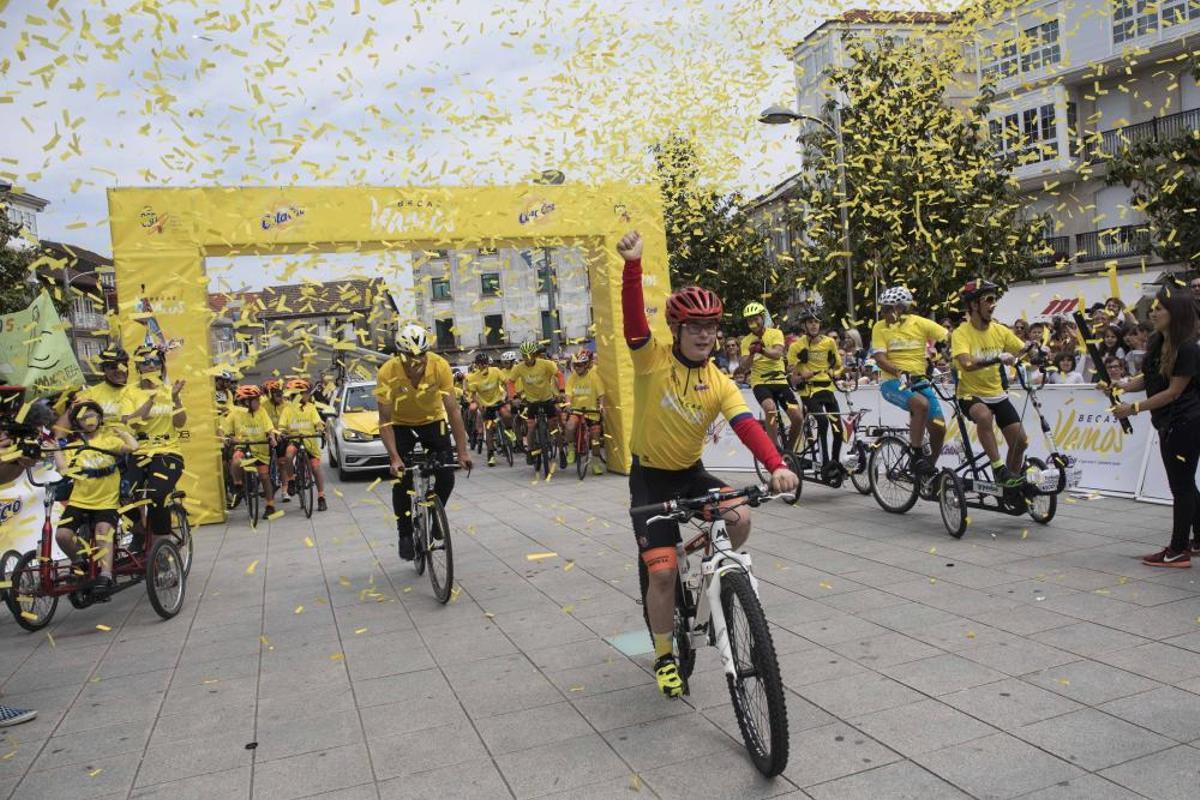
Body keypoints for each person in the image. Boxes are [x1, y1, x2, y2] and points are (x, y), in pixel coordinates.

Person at [617, 230, 798, 699]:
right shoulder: (651, 361)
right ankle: (664, 655)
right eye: (694, 326)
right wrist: (633, 266)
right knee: (661, 573)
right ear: (676, 330)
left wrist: (776, 465)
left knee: (740, 517)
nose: (704, 335)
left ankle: (707, 566)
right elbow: (634, 323)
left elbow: (747, 425)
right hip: (649, 478)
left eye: (711, 327)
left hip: (689, 472)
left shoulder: (719, 381)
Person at [1111, 286, 1200, 566]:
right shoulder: (1157, 341)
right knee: (1185, 483)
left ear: (1176, 312)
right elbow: (1149, 378)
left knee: (1181, 487)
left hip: (1185, 423)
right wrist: (1122, 386)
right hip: (1167, 422)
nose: (1153, 313)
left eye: (1159, 308)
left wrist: (1133, 408)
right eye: (1153, 308)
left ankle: (1178, 550)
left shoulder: (1188, 348)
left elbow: (1173, 392)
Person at [376, 324, 472, 561]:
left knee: (447, 475)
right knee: (401, 481)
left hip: (432, 421)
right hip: (400, 424)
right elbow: (384, 420)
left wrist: (462, 452)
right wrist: (394, 458)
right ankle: (405, 534)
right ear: (400, 354)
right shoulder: (387, 372)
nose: (416, 360)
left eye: (421, 355)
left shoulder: (440, 366)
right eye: (410, 356)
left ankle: (434, 515)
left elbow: (454, 411)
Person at [53, 401, 140, 597]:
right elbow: (63, 470)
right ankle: (79, 562)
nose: (89, 420)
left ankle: (105, 575)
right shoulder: (74, 446)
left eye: (92, 415)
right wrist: (56, 448)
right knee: (62, 536)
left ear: (99, 417)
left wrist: (122, 433)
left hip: (107, 501)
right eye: (83, 417)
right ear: (77, 422)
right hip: (79, 501)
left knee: (102, 532)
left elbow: (134, 447)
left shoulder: (110, 441)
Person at [951, 280, 1032, 487]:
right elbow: (967, 364)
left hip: (996, 393)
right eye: (988, 299)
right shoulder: (961, 333)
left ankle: (1010, 485)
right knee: (984, 416)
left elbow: (1022, 351)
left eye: (994, 299)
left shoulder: (999, 330)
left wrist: (1036, 350)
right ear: (973, 305)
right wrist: (996, 359)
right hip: (970, 394)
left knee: (1020, 442)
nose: (993, 304)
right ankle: (998, 468)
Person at [871, 286, 948, 477]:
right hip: (892, 381)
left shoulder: (920, 323)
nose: (883, 313)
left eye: (887, 309)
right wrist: (899, 372)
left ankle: (927, 471)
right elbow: (879, 359)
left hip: (919, 380)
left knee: (939, 427)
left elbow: (950, 338)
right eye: (882, 308)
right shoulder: (880, 327)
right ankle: (917, 456)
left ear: (901, 308)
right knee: (920, 404)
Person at [125, 346, 187, 548]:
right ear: (138, 367)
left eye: (156, 362)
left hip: (168, 452)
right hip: (140, 452)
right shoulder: (129, 392)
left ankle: (162, 545)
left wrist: (175, 398)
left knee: (156, 495)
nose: (151, 365)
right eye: (146, 362)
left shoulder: (170, 391)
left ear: (162, 366)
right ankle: (139, 530)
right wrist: (151, 399)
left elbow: (180, 423)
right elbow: (133, 423)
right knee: (123, 494)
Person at [788, 307, 844, 479]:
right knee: (822, 421)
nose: (814, 325)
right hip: (809, 391)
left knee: (838, 429)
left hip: (827, 389)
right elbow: (791, 376)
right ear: (804, 325)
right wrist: (800, 372)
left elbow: (838, 366)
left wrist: (836, 371)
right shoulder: (797, 346)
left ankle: (834, 463)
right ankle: (825, 463)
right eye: (810, 322)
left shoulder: (829, 342)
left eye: (816, 322)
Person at [740, 302, 804, 451]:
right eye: (749, 320)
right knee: (770, 408)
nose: (753, 323)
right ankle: (774, 449)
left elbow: (778, 354)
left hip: (780, 381)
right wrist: (751, 353)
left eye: (756, 319)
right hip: (760, 382)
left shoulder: (775, 333)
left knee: (797, 418)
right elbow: (744, 366)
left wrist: (762, 350)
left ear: (763, 318)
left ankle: (789, 451)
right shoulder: (745, 341)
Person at [224, 384, 279, 518]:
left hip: (260, 448)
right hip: (243, 446)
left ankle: (270, 505)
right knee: (236, 460)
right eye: (256, 400)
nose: (259, 402)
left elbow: (269, 429)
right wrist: (229, 438)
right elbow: (224, 430)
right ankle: (238, 486)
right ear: (246, 402)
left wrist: (272, 437)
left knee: (264, 477)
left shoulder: (262, 411)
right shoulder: (235, 413)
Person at [510, 340, 566, 468]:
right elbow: (510, 382)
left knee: (553, 426)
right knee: (530, 427)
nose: (528, 358)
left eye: (530, 355)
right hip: (532, 402)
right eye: (525, 356)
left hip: (547, 399)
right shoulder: (519, 368)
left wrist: (562, 391)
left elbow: (559, 375)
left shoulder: (546, 364)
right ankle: (530, 451)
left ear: (535, 354)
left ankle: (561, 452)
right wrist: (514, 397)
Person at [278, 378, 327, 512]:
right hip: (294, 439)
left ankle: (321, 497)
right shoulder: (288, 409)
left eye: (307, 392)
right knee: (288, 455)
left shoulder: (311, 407)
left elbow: (318, 422)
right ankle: (291, 480)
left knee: (316, 468)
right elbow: (282, 426)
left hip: (309, 441)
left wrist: (321, 429)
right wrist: (282, 432)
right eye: (305, 393)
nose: (308, 395)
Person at [563, 349, 606, 475]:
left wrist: (601, 406)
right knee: (570, 426)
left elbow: (601, 394)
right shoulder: (572, 378)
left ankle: (596, 463)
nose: (577, 368)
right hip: (577, 410)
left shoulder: (594, 376)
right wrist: (568, 404)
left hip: (591, 412)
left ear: (586, 364)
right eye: (575, 365)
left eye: (580, 365)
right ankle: (571, 448)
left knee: (596, 438)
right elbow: (568, 393)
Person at [466, 352, 513, 467]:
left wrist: (508, 395)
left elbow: (506, 382)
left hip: (498, 400)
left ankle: (509, 430)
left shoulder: (495, 371)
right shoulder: (473, 377)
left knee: (506, 414)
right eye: (480, 364)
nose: (483, 366)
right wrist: (480, 405)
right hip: (486, 405)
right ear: (477, 365)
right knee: (489, 429)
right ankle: (490, 454)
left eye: (485, 363)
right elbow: (473, 395)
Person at [261, 379, 292, 503]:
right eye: (276, 394)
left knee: (282, 464)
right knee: (265, 465)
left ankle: (285, 491)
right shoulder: (263, 406)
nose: (279, 397)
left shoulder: (287, 405)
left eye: (281, 394)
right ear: (270, 394)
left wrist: (284, 432)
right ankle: (268, 487)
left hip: (282, 436)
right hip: (268, 436)